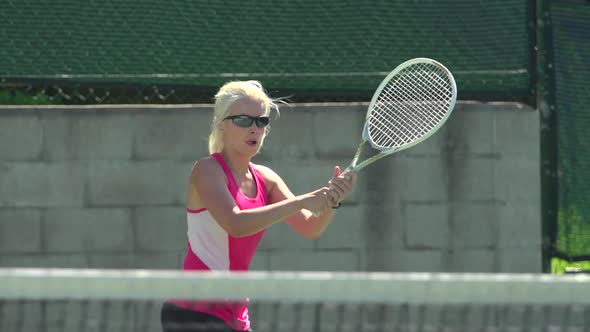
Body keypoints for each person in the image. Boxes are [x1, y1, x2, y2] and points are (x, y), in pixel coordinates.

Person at [160, 80, 357, 332]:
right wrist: (302, 200)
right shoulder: (207, 170)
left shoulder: (267, 179)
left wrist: (333, 200)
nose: (254, 129)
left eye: (261, 121)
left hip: (234, 313)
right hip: (192, 311)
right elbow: (236, 224)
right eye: (243, 121)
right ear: (222, 125)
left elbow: (312, 227)